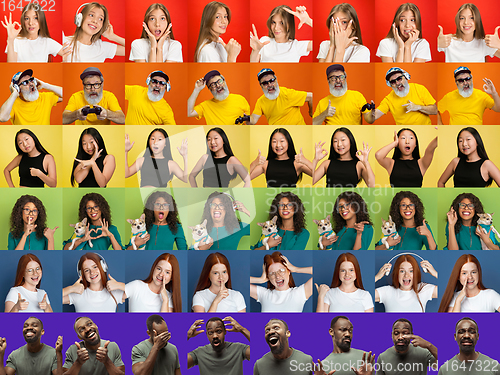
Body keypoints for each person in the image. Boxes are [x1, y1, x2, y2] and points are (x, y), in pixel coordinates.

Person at [367, 67, 437, 125]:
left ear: (406, 77)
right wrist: (372, 113)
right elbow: (372, 118)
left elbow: (435, 110)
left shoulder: (419, 89)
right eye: (393, 82)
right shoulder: (389, 99)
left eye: (399, 79)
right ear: (390, 85)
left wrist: (418, 107)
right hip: (404, 133)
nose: (397, 83)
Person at [308, 128, 375, 188]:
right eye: (335, 141)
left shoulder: (359, 165)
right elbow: (311, 181)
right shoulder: (327, 163)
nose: (339, 144)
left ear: (350, 142)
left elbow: (372, 186)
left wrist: (366, 162)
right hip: (329, 200)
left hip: (350, 200)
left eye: (343, 140)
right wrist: (315, 159)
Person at [2, 4, 69, 62]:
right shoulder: (16, 41)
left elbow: (65, 53)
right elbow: (12, 66)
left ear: (41, 20)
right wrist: (10, 40)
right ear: (23, 21)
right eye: (27, 18)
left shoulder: (47, 42)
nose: (31, 23)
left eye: (35, 18)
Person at [245, 68, 313, 125]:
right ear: (261, 85)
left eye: (271, 81)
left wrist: (311, 112)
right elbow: (254, 119)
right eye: (265, 83)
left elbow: (310, 96)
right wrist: (246, 119)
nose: (269, 85)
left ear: (276, 80)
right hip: (278, 136)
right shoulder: (261, 101)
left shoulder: (286, 94)